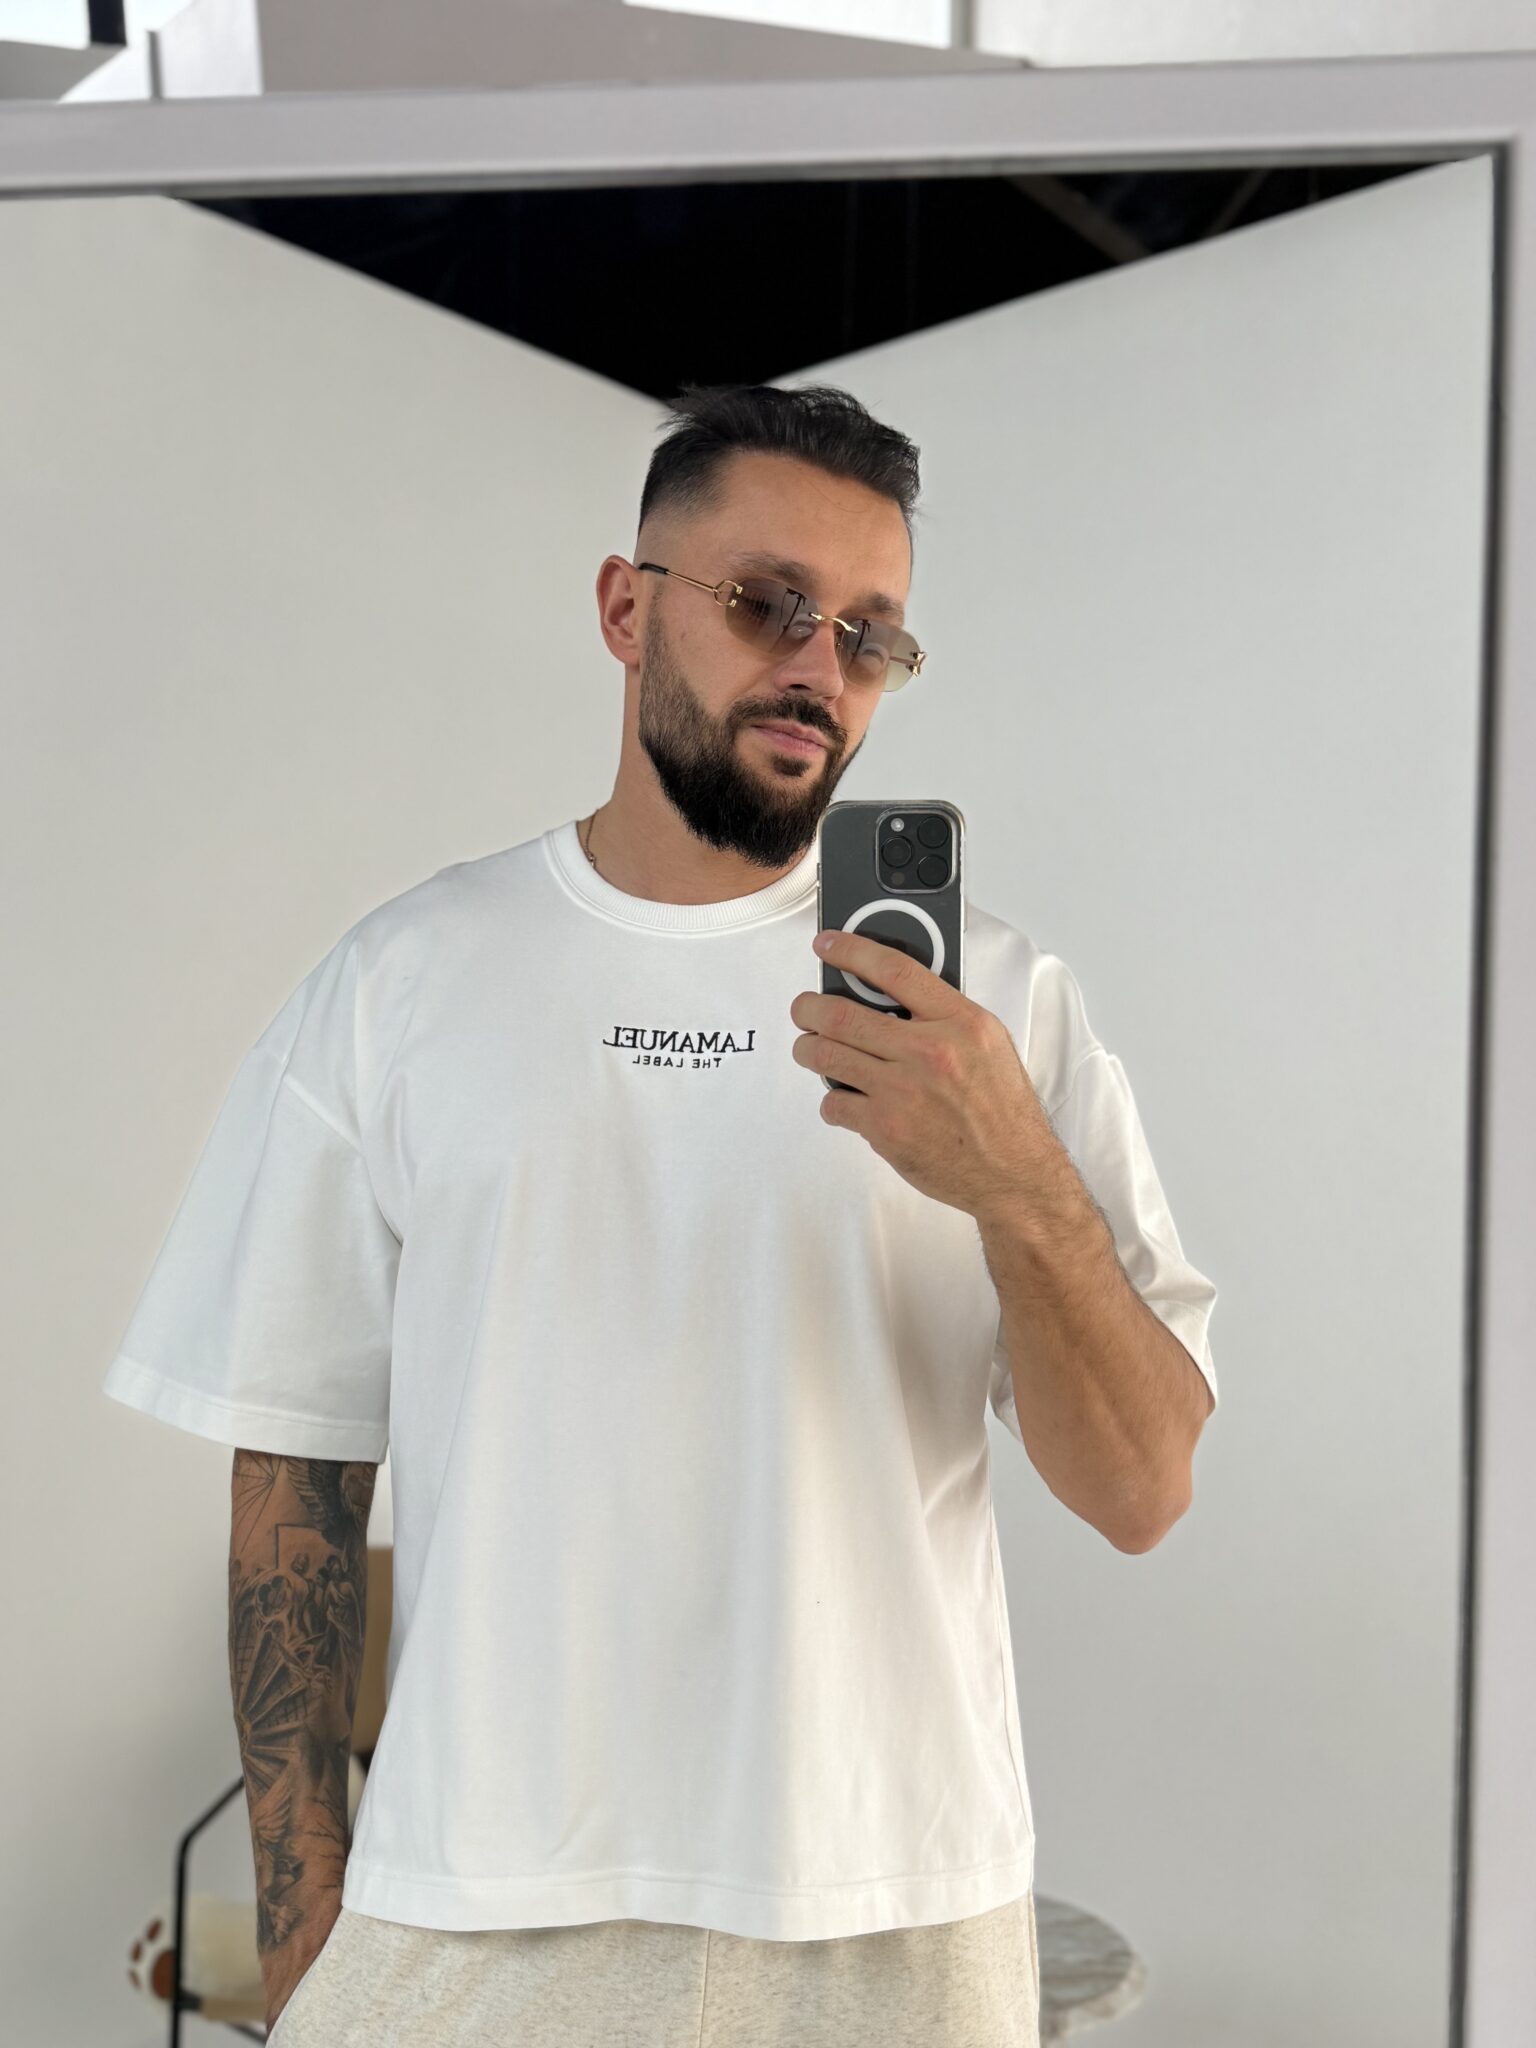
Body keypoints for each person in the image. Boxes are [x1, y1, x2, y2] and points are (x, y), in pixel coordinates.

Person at [103, 381, 1218, 2047]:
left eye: (870, 636)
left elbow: (1141, 1491)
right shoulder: (404, 983)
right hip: (469, 1913)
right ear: (627, 609)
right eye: (768, 603)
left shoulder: (996, 1012)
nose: (820, 666)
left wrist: (1016, 1183)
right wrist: (306, 1930)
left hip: (894, 1922)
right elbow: (296, 1482)